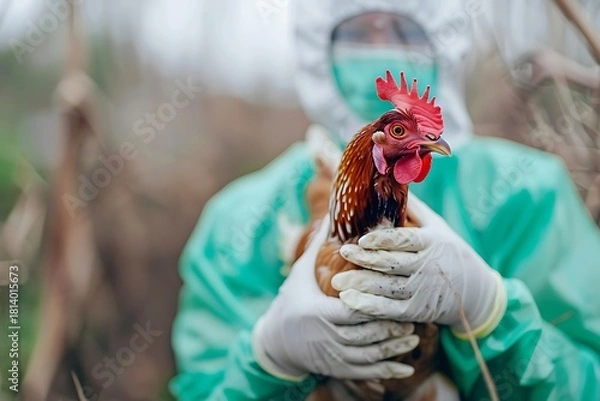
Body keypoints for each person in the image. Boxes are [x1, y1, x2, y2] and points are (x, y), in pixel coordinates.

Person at [170, 0, 600, 400]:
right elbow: (203, 386)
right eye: (357, 32)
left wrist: (490, 309)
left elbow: (588, 382)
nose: (380, 47)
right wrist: (269, 359)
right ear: (318, 43)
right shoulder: (241, 219)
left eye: (402, 28)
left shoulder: (526, 191)